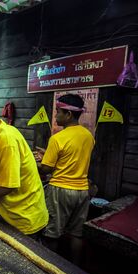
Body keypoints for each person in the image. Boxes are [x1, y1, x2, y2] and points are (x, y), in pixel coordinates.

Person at [34, 94, 95, 262]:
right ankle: (74, 269)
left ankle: (52, 267)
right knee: (77, 234)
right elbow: (73, 158)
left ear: (68, 114)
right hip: (82, 191)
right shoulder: (88, 136)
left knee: (51, 234)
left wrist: (33, 162)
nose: (56, 115)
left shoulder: (57, 138)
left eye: (58, 111)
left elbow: (46, 169)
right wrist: (48, 155)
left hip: (60, 191)